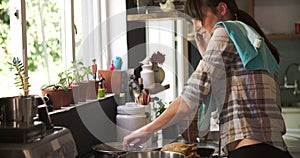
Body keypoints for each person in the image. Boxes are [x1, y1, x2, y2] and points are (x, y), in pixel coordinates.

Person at [123, 0, 293, 157]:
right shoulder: (246, 36)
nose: (196, 23)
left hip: (251, 151)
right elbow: (214, 78)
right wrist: (201, 41)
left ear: (221, 9)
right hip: (270, 149)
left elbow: (189, 99)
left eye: (199, 16)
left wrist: (146, 130)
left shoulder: (225, 31)